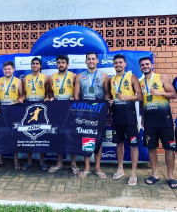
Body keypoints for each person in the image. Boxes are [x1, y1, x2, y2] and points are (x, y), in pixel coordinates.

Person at [139, 56, 177, 189]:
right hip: (150, 122)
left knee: (169, 149)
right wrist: (143, 118)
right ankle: (154, 174)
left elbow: (173, 94)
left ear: (151, 65)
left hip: (165, 121)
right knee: (151, 148)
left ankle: (171, 176)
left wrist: (159, 92)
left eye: (147, 64)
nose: (145, 66)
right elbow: (143, 101)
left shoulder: (162, 78)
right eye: (143, 65)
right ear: (140, 68)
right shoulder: (141, 82)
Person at [74, 51, 111, 178]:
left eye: (93, 59)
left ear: (97, 61)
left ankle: (97, 167)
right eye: (88, 59)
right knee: (87, 140)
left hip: (99, 113)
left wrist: (107, 104)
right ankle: (87, 167)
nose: (91, 61)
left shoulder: (104, 76)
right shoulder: (80, 76)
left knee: (98, 139)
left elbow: (107, 94)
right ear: (85, 61)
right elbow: (76, 96)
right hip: (85, 113)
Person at [109, 54, 142, 186]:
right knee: (119, 144)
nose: (118, 64)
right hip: (117, 118)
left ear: (125, 64)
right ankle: (120, 169)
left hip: (130, 119)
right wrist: (110, 107)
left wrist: (126, 98)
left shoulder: (132, 77)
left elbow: (140, 96)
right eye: (116, 63)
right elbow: (112, 98)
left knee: (134, 145)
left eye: (120, 62)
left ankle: (133, 173)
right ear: (113, 65)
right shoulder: (112, 80)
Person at [48, 54, 79, 174]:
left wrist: (73, 98)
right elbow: (50, 94)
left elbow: (78, 94)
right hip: (57, 111)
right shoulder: (52, 78)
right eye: (59, 62)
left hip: (70, 110)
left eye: (63, 62)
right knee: (58, 136)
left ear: (67, 64)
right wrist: (50, 99)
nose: (60, 64)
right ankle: (59, 163)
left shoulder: (74, 76)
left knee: (72, 136)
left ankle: (73, 163)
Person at [0, 61, 24, 169]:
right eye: (5, 69)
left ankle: (16, 160)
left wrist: (19, 100)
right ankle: (0, 159)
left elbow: (22, 95)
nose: (7, 71)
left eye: (9, 69)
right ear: (3, 70)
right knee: (1, 134)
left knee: (14, 134)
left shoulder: (18, 81)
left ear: (13, 70)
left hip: (14, 110)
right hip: (2, 110)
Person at [22, 57, 49, 171]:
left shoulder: (46, 78)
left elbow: (48, 93)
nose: (35, 65)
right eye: (33, 64)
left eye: (37, 64)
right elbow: (23, 94)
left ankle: (41, 161)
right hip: (28, 109)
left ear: (40, 66)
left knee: (41, 135)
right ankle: (29, 161)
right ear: (31, 65)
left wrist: (47, 98)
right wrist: (21, 99)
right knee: (28, 135)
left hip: (42, 108)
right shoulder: (25, 79)